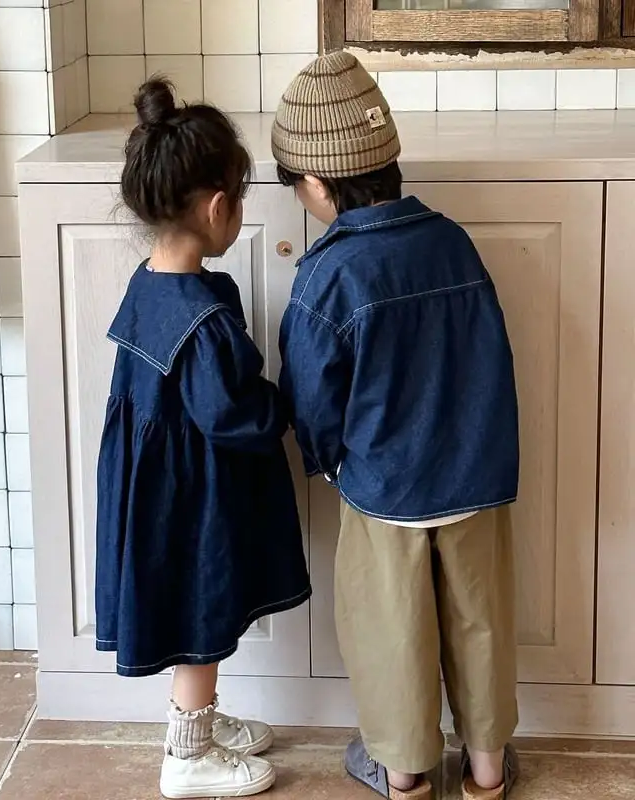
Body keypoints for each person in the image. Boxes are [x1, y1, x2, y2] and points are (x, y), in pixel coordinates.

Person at [272, 52, 521, 800]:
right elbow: (492, 358)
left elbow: (310, 395)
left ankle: (406, 771)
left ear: (316, 184)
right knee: (480, 619)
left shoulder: (327, 273)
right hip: (475, 479)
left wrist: (332, 464)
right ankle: (487, 768)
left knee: (392, 630)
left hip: (386, 489)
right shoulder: (453, 242)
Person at [95, 77, 312, 799]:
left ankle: (202, 722)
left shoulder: (148, 283)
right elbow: (232, 415)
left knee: (198, 607)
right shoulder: (205, 320)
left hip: (156, 484)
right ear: (219, 208)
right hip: (192, 497)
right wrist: (287, 405)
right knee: (201, 610)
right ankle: (187, 755)